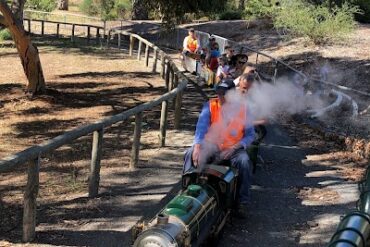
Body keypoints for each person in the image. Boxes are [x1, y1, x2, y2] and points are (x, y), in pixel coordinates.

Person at [183, 80, 255, 217]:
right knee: (190, 153)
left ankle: (242, 201)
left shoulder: (244, 109)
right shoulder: (210, 106)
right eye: (218, 93)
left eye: (224, 93)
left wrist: (235, 147)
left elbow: (250, 135)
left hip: (234, 149)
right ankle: (187, 190)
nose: (220, 96)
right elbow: (201, 128)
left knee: (244, 162)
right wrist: (197, 145)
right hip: (213, 146)